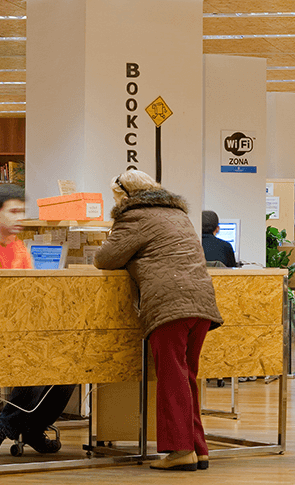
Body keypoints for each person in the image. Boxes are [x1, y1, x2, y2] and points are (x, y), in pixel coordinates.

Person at [94, 169, 223, 471]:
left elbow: (105, 258)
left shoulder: (134, 216)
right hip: (201, 302)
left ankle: (180, 451)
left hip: (169, 305)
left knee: (171, 376)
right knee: (186, 375)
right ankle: (198, 449)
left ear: (125, 195)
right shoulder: (177, 214)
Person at [0, 184, 76, 456]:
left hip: (20, 329)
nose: (21, 217)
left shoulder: (20, 248)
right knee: (35, 360)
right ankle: (11, 426)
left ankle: (26, 427)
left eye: (23, 211)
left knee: (71, 368)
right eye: (14, 211)